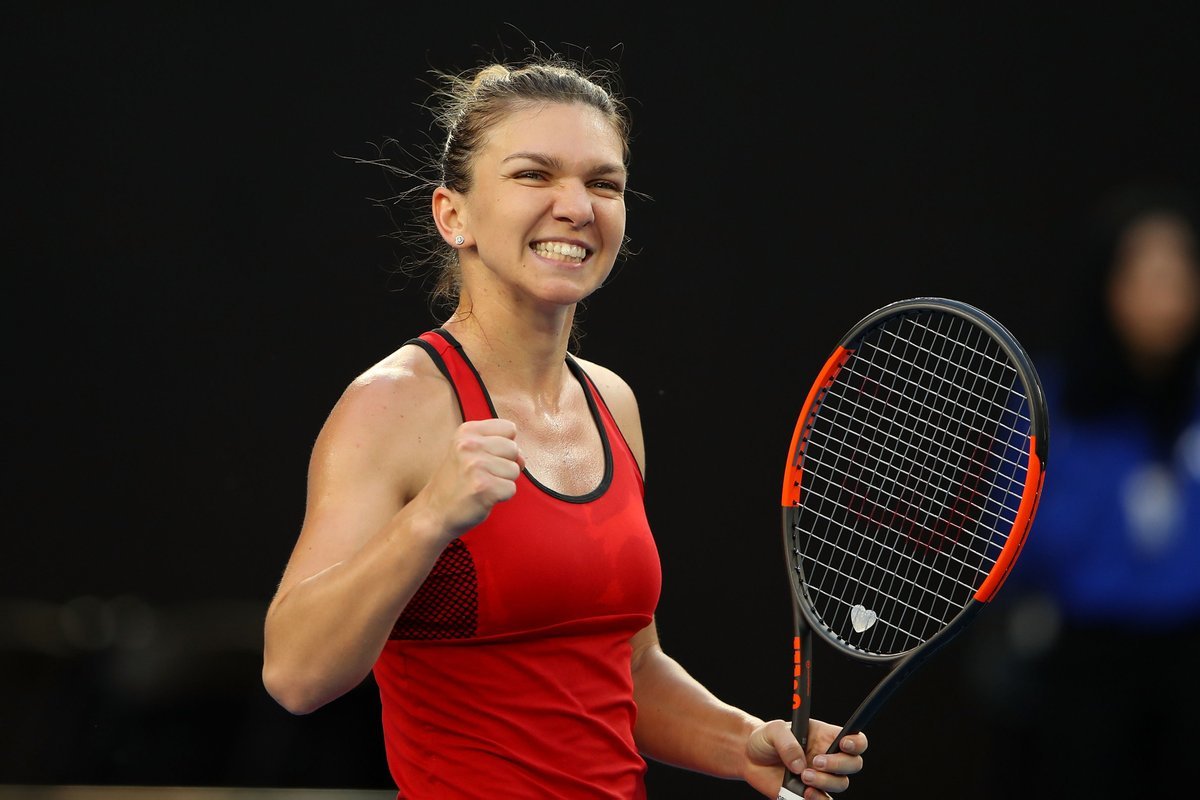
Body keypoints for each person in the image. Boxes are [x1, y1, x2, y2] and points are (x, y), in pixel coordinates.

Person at [260, 52, 868, 799]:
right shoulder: (393, 405)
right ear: (453, 215)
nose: (577, 206)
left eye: (603, 183)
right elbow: (295, 676)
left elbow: (631, 668)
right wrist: (429, 520)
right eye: (534, 175)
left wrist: (743, 742)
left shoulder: (611, 402)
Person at [967, 181, 1200, 797]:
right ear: (1109, 286)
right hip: (1082, 668)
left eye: (1182, 277)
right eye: (1150, 277)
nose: (1169, 298)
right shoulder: (1051, 401)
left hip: (1189, 665)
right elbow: (1009, 543)